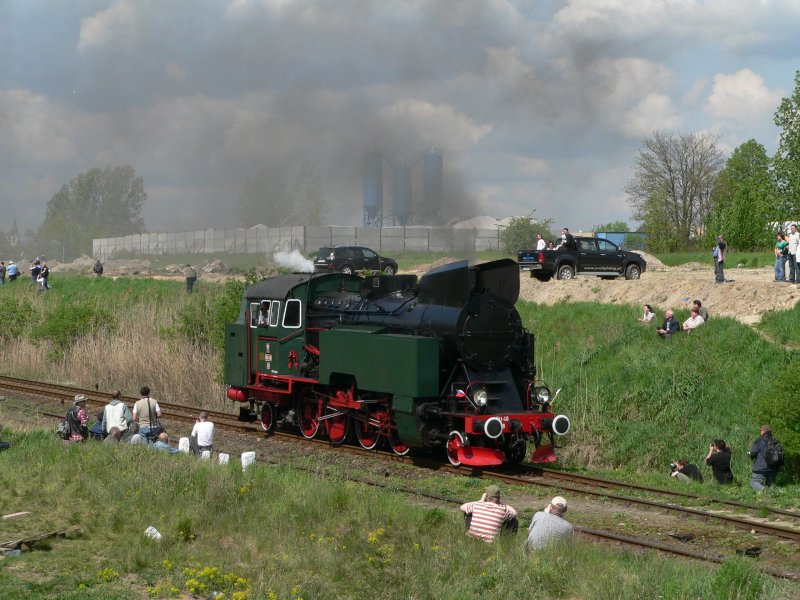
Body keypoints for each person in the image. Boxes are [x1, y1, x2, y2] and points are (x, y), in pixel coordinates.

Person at [749, 425, 780, 491]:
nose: (760, 432)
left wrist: (750, 455)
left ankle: (763, 490)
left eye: (760, 430)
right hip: (773, 467)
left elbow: (753, 453)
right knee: (771, 485)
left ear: (763, 432)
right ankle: (771, 496)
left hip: (760, 468)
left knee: (753, 482)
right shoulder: (776, 441)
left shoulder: (758, 441)